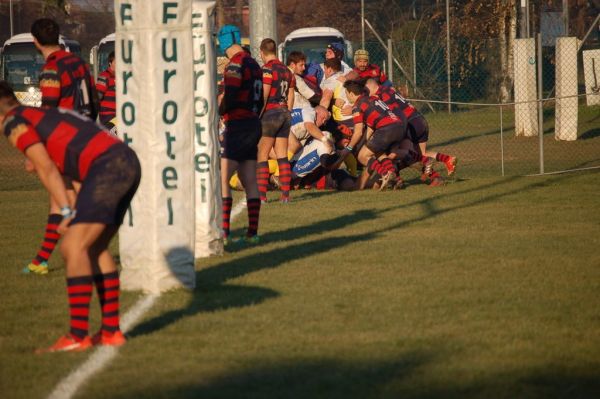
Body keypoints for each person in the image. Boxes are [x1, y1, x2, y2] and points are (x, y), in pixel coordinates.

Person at [1, 81, 140, 352]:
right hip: (126, 161)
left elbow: (45, 168)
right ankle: (111, 332)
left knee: (72, 247)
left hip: (107, 167)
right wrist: (73, 210)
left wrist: (65, 211)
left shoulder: (13, 121)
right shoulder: (43, 115)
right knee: (95, 248)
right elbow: (69, 165)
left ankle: (78, 335)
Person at [24, 18, 98, 275]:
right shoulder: (78, 62)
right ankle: (41, 261)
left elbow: (48, 111)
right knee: (65, 199)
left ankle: (76, 254)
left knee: (67, 200)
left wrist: (36, 149)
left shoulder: (52, 69)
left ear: (35, 41)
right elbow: (93, 100)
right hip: (86, 134)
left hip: (64, 139)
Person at [217, 25, 263, 244]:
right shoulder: (253, 62)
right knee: (249, 180)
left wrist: (220, 108)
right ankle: (253, 233)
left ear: (224, 42)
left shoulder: (235, 64)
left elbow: (232, 96)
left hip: (238, 124)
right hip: (253, 123)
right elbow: (260, 99)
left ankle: (224, 232)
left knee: (221, 178)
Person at [364, 78, 456, 183]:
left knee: (397, 154)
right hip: (420, 120)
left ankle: (397, 179)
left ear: (369, 86)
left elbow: (389, 114)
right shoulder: (388, 89)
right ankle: (446, 160)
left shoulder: (380, 96)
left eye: (365, 90)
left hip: (409, 122)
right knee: (420, 154)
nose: (365, 93)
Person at [341, 80, 408, 190]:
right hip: (399, 126)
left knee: (362, 156)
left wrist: (349, 147)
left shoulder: (357, 107)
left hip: (386, 129)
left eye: (346, 94)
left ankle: (385, 173)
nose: (347, 97)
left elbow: (358, 132)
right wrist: (367, 142)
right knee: (379, 153)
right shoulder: (373, 98)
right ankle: (394, 178)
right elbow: (371, 125)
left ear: (351, 94)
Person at [257, 38, 295, 203]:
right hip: (284, 113)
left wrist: (257, 115)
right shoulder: (287, 71)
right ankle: (285, 195)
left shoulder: (266, 69)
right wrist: (288, 111)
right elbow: (291, 94)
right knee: (282, 156)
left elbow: (264, 94)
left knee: (262, 154)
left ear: (261, 52)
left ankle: (262, 196)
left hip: (270, 113)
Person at [96, 51, 117, 134]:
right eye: (116, 62)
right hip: (108, 116)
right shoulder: (105, 76)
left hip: (119, 116)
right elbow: (98, 96)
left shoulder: (122, 76)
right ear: (110, 63)